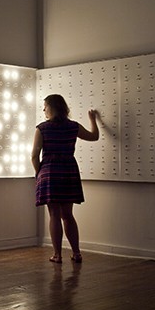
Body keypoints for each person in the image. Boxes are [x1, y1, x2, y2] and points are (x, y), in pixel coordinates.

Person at [31, 94, 99, 264]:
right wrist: (93, 120)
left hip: (50, 172)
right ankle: (76, 253)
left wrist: (39, 173)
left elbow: (34, 155)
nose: (44, 109)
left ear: (51, 107)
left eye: (45, 106)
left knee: (54, 214)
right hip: (68, 171)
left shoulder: (42, 128)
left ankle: (57, 255)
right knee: (68, 215)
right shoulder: (73, 127)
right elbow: (94, 136)